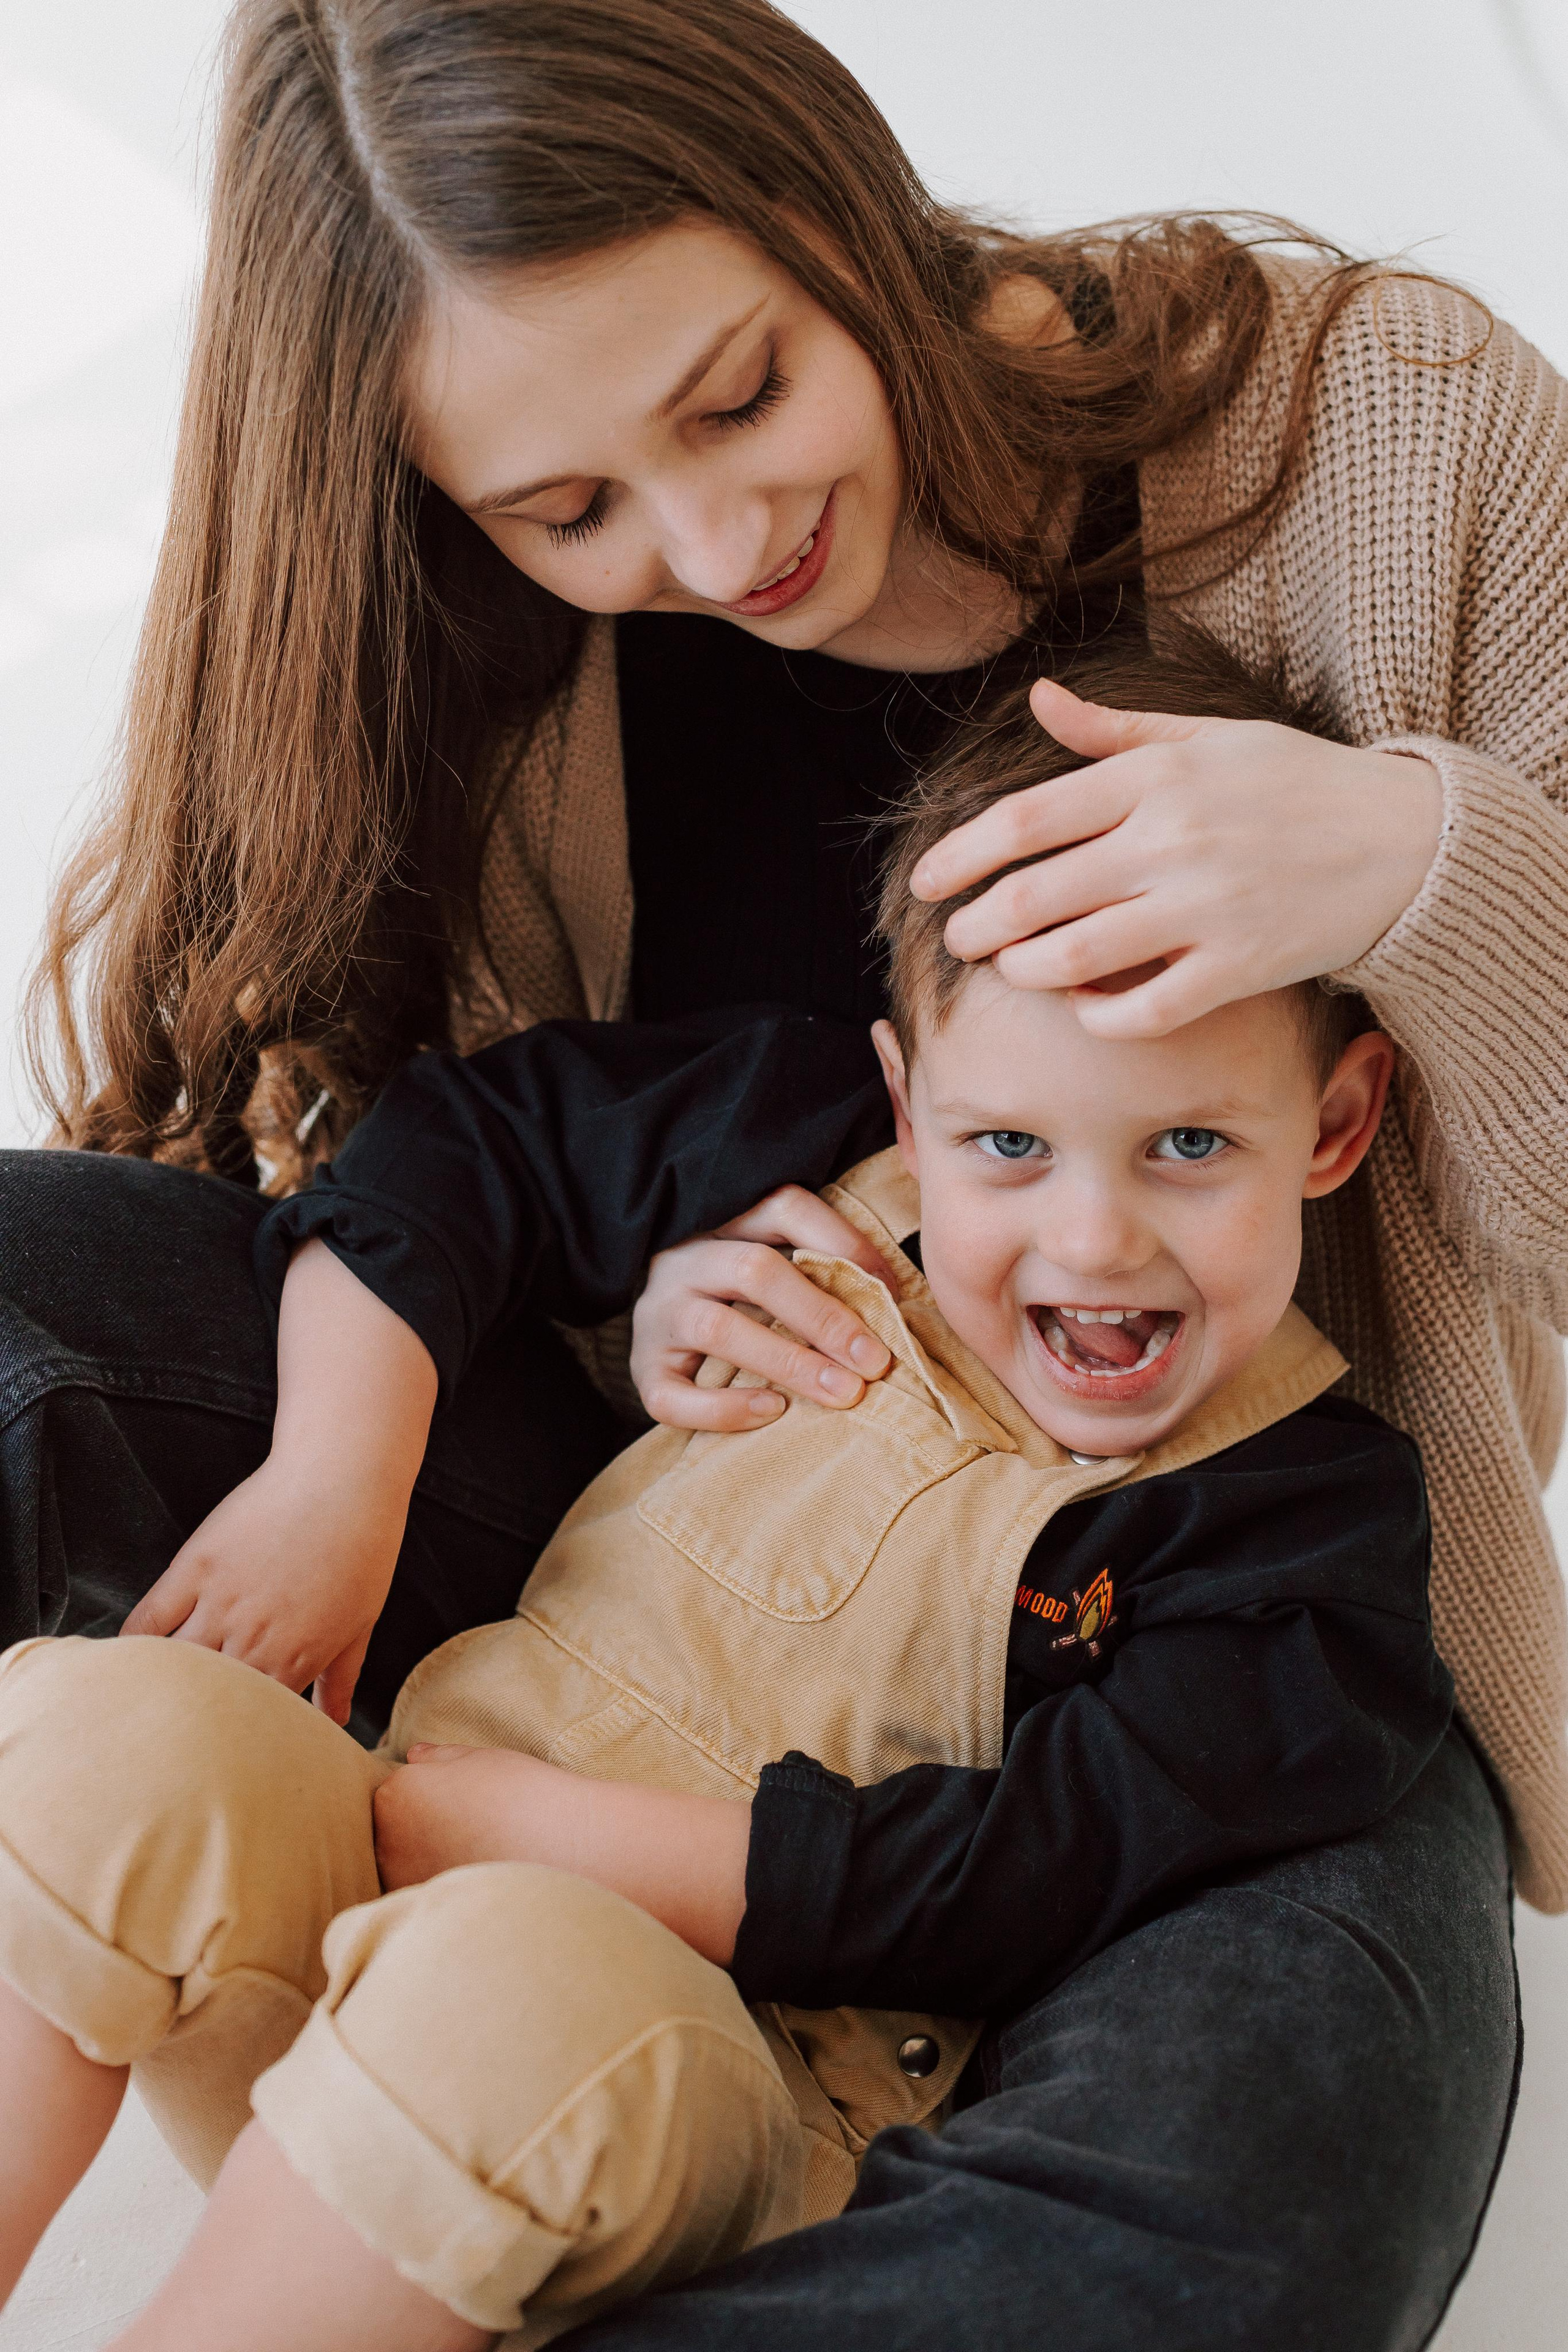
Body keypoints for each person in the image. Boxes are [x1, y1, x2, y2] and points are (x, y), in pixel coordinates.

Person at [0, 0, 1560, 2340]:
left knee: (1268, 2175)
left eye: (734, 393)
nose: (719, 544)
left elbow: (1107, 1814)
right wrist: (610, 1320)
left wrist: (1419, 863)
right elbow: (451, 1155)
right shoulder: (514, 679)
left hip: (1146, 1654)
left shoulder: (1389, 434)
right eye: (568, 507)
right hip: (630, 1577)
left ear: (832, 188)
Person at [0, 639, 1456, 2352]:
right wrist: (341, 1475)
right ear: (910, 1098)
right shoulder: (803, 1139)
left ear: (1339, 1123)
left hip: (699, 2076)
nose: (1092, 1240)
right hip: (374, 1878)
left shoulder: (1301, 1515)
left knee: (500, 1986)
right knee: (104, 1739)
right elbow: (465, 1150)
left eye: (1190, 1149)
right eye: (1007, 1147)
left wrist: (567, 1845)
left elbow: (1047, 1869)